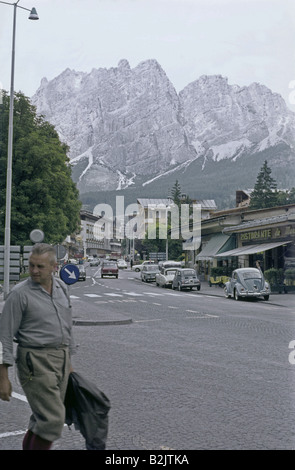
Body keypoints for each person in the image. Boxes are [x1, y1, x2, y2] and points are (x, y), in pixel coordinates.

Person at [0, 243, 76, 450]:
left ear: (54, 266)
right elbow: (4, 335)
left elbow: (68, 325)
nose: (34, 271)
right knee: (52, 419)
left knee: (41, 419)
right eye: (32, 265)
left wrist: (69, 362)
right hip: (34, 360)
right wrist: (3, 376)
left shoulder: (62, 288)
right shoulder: (19, 294)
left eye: (40, 267)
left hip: (60, 359)